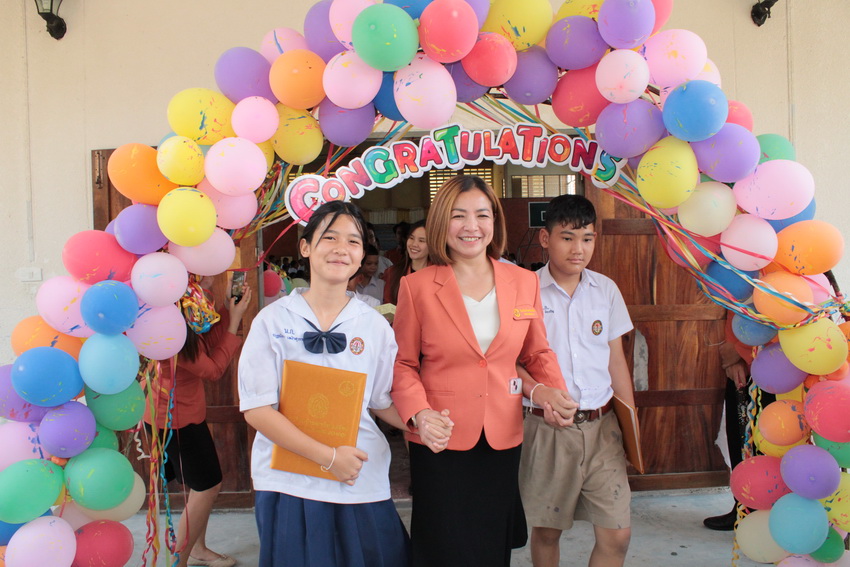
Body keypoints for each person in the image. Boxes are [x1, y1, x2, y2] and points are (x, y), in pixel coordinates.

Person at [238, 200, 450, 567]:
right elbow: (257, 409)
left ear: (363, 254)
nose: (342, 249)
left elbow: (381, 401)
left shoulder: (374, 325)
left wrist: (421, 419)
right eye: (330, 237)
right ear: (306, 247)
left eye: (353, 241)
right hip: (289, 479)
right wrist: (329, 458)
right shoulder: (272, 321)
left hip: (357, 477)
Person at [391, 175, 577, 567]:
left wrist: (553, 393)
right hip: (440, 437)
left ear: (495, 221)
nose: (471, 226)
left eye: (482, 215)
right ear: (442, 222)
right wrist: (419, 413)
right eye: (458, 215)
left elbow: (536, 352)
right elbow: (403, 364)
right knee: (441, 548)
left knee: (491, 547)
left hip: (500, 437)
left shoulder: (523, 282)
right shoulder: (417, 286)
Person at [518, 194, 634, 567]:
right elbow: (508, 362)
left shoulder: (606, 290)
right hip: (547, 429)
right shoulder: (524, 291)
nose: (578, 249)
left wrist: (630, 426)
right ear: (545, 238)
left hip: (603, 427)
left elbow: (616, 360)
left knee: (617, 534)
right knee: (547, 532)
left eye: (587, 238)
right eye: (567, 238)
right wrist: (539, 393)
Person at [144, 275, 253, 567]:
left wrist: (228, 310)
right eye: (203, 274)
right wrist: (234, 320)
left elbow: (204, 342)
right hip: (175, 421)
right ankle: (179, 560)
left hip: (179, 414)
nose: (210, 279)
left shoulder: (182, 306)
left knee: (199, 487)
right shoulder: (169, 328)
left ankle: (198, 549)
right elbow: (213, 369)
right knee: (208, 486)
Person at [383, 219, 429, 305]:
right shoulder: (392, 272)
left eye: (421, 240)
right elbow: (388, 305)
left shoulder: (440, 274)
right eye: (411, 238)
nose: (414, 244)